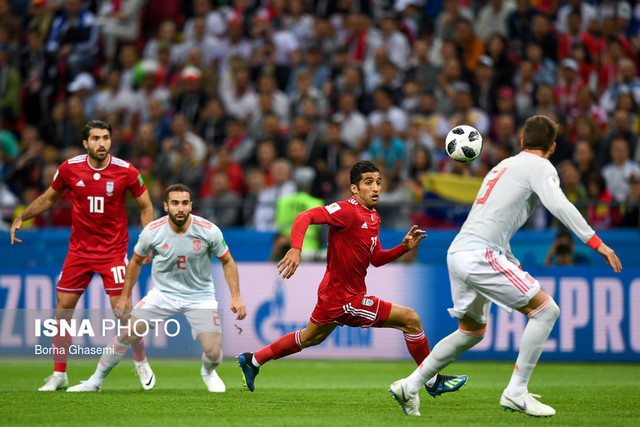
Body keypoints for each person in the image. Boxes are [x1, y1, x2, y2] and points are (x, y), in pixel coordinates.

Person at [388, 115, 623, 417]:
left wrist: (508, 259)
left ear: (522, 141)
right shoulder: (540, 167)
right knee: (546, 311)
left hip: (460, 252)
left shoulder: (501, 168)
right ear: (552, 146)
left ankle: (410, 384)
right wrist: (597, 243)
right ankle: (516, 391)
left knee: (471, 332)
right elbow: (560, 204)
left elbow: (493, 222)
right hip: (479, 254)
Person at [237, 161, 467, 397]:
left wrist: (403, 248)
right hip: (345, 298)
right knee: (410, 319)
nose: (375, 187)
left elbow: (375, 259)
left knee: (309, 337)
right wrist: (296, 248)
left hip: (333, 295)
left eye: (378, 182)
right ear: (354, 189)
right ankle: (431, 380)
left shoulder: (374, 217)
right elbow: (304, 217)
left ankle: (253, 360)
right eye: (368, 183)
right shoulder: (346, 210)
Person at [9, 120, 154, 391]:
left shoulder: (126, 171)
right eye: (96, 138)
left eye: (107, 138)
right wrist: (22, 216)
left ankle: (140, 360)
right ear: (85, 143)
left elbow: (146, 206)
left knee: (123, 313)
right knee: (62, 310)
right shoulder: (69, 168)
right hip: (79, 252)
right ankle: (59, 373)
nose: (102, 143)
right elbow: (49, 198)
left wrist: (146, 242)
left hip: (113, 252)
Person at [67, 184, 247, 392]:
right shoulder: (152, 231)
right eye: (175, 203)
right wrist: (125, 294)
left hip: (200, 296)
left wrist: (236, 296)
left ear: (191, 205)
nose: (180, 208)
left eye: (184, 203)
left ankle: (208, 371)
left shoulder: (208, 230)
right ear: (166, 206)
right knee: (127, 334)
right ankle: (95, 381)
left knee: (214, 352)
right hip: (163, 294)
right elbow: (135, 261)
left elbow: (228, 261)